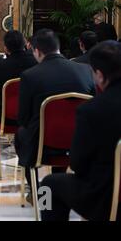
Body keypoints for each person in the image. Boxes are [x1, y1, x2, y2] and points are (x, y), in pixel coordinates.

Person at [41, 41, 121, 221]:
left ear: (99, 75)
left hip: (106, 196)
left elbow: (77, 163)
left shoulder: (91, 110)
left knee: (47, 186)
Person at [16, 29, 95, 197]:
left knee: (22, 134)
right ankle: (57, 180)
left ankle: (37, 191)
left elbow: (23, 118)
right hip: (81, 141)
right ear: (58, 48)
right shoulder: (86, 70)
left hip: (44, 144)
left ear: (36, 51)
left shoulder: (30, 75)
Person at [0, 31, 37, 167]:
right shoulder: (35, 63)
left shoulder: (0, 66)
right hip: (32, 115)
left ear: (5, 47)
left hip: (6, 115)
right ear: (25, 44)